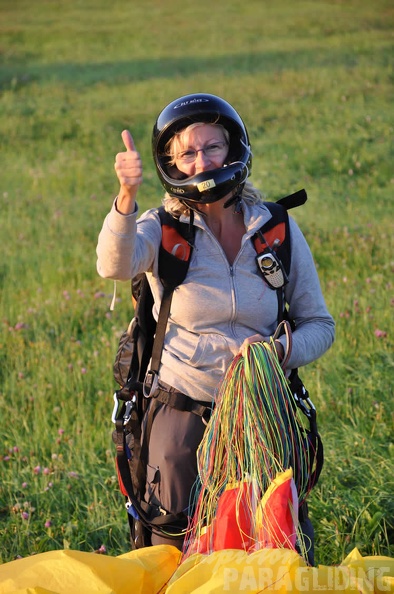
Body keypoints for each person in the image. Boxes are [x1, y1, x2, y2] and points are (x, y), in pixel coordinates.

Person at [96, 93, 335, 562]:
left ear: (234, 149)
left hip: (262, 411)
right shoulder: (160, 227)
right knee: (171, 544)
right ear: (171, 163)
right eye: (187, 153)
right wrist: (125, 199)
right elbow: (113, 264)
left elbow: (319, 325)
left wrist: (277, 352)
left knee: (275, 539)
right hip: (181, 407)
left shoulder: (276, 228)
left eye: (212, 147)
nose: (201, 161)